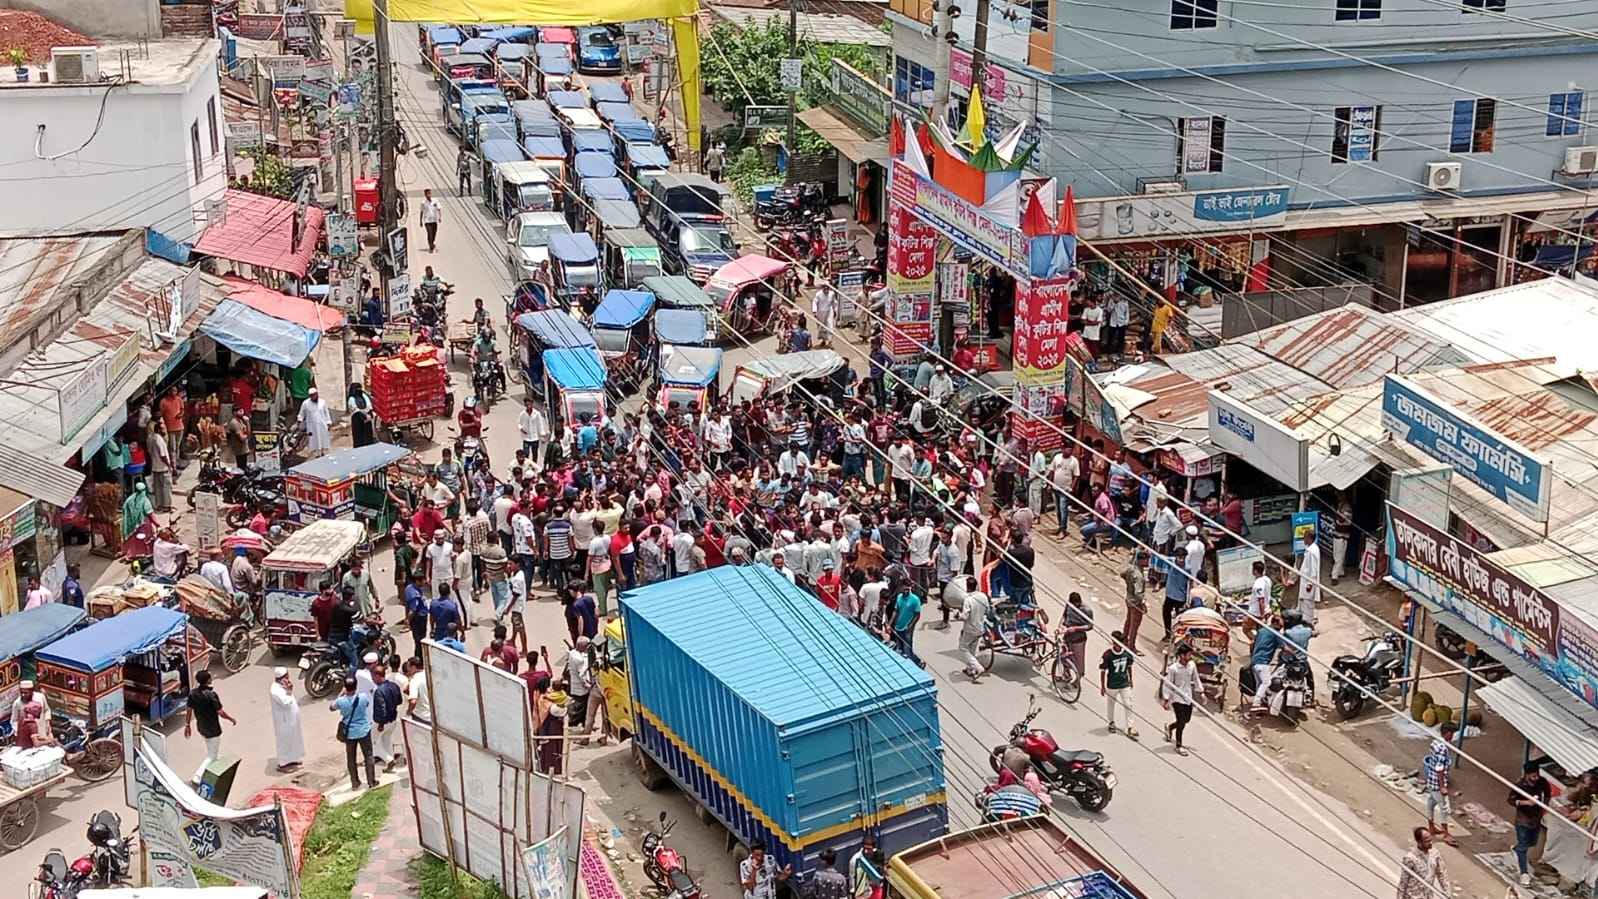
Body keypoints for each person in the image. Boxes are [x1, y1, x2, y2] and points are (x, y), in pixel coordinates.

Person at [185, 670, 235, 783]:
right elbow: (221, 712)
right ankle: (198, 776)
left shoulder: (193, 693)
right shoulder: (211, 695)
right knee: (211, 756)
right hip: (213, 729)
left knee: (212, 751)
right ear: (208, 680)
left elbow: (189, 710)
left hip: (201, 727)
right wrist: (231, 719)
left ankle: (212, 772)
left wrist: (187, 725)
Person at [1510, 761, 1553, 886]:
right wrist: (1526, 803)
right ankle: (1524, 873)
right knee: (1524, 846)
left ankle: (1516, 849)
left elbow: (1548, 794)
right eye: (1533, 776)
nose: (1536, 778)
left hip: (1536, 818)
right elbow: (1511, 800)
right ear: (1527, 775)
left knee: (1532, 842)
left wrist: (1544, 807)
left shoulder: (1542, 782)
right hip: (1523, 819)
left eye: (1537, 775)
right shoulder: (1519, 785)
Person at [332, 675, 378, 791]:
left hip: (349, 733)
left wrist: (341, 694)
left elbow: (331, 707)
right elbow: (367, 704)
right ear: (356, 686)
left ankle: (355, 782)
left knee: (351, 759)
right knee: (368, 755)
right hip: (364, 730)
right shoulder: (362, 697)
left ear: (345, 687)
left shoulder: (340, 701)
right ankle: (371, 781)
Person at [1160, 642, 1202, 756]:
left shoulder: (1192, 665)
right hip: (1177, 698)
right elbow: (1168, 684)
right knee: (1181, 721)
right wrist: (1166, 699)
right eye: (1188, 655)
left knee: (1185, 720)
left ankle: (1170, 727)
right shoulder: (1173, 668)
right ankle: (1179, 746)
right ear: (1182, 655)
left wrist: (1201, 692)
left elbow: (1196, 678)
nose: (1190, 657)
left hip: (1188, 697)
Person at [1423, 722, 1459, 846]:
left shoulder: (1435, 742)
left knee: (1431, 802)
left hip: (1431, 779)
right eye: (1452, 733)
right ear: (1448, 733)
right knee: (1444, 807)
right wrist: (1442, 786)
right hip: (1437, 782)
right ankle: (1445, 834)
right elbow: (1439, 768)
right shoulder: (1442, 748)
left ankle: (1431, 827)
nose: (1453, 736)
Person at [1100, 631, 1137, 738]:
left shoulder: (1127, 654)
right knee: (1111, 704)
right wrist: (1102, 686)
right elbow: (1103, 670)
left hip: (1124, 683)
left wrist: (1131, 679)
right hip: (1112, 684)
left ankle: (1130, 726)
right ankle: (1111, 722)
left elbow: (1129, 667)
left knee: (1128, 704)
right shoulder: (1107, 655)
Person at [1396, 826, 1450, 899]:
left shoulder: (1435, 854)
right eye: (1427, 841)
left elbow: (1442, 874)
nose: (1430, 842)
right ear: (1419, 842)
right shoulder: (1410, 858)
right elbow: (1403, 883)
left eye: (1431, 839)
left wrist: (1447, 893)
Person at [268, 668, 305, 771]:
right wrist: (289, 690)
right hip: (284, 721)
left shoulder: (282, 685)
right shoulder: (275, 690)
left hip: (291, 719)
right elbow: (286, 703)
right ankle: (283, 764)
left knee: (294, 738)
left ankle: (293, 759)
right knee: (285, 741)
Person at [371, 664, 405, 771]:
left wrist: (380, 724)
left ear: (377, 676)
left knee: (373, 743)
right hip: (393, 719)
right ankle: (391, 766)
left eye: (373, 677)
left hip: (383, 722)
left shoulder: (379, 691)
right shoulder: (394, 686)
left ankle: (389, 760)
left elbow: (381, 709)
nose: (372, 679)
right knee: (387, 740)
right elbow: (399, 701)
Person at [958, 587, 991, 681]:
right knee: (972, 649)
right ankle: (970, 670)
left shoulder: (968, 600)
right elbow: (987, 610)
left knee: (963, 648)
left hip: (970, 629)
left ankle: (978, 668)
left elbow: (965, 616)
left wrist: (958, 615)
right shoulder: (983, 596)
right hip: (980, 628)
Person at [1061, 592, 1093, 679]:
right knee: (1064, 655)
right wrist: (1060, 627)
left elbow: (1090, 626)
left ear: (1079, 602)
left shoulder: (1087, 610)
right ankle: (1066, 675)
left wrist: (1076, 628)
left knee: (1079, 661)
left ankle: (1077, 680)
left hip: (1078, 638)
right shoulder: (1069, 605)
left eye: (1075, 605)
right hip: (1067, 635)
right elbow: (1064, 616)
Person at [1120, 555, 1147, 652]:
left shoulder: (1131, 569)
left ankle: (1123, 639)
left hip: (1129, 598)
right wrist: (1143, 604)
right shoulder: (1139, 575)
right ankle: (1131, 646)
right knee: (1134, 625)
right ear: (1142, 560)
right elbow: (1138, 592)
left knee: (1128, 621)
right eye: (1146, 560)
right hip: (1136, 603)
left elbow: (1122, 574)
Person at [1296, 527, 1322, 629]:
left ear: (1309, 538)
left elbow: (1313, 570)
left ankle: (1308, 625)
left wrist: (1310, 584)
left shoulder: (1312, 551)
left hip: (1308, 583)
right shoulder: (1311, 549)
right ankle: (1304, 623)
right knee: (1303, 603)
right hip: (1305, 581)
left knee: (1308, 604)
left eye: (1304, 538)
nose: (1303, 540)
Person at [298, 387, 333, 458]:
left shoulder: (322, 402)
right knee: (314, 442)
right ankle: (316, 455)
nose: (314, 396)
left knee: (323, 440)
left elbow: (326, 413)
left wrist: (328, 422)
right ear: (310, 396)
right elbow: (301, 414)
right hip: (312, 427)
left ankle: (323, 453)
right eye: (312, 395)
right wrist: (299, 421)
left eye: (315, 394)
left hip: (322, 425)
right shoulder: (305, 403)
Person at [148, 419, 175, 511]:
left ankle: (159, 505)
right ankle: (167, 506)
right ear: (159, 430)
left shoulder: (150, 438)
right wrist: (169, 465)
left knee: (158, 488)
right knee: (166, 487)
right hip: (163, 467)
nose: (165, 431)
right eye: (163, 429)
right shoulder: (159, 439)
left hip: (155, 467)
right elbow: (163, 455)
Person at [348, 382, 377, 448]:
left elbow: (369, 406)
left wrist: (370, 414)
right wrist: (364, 416)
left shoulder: (364, 396)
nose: (359, 390)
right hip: (357, 420)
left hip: (367, 420)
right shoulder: (351, 399)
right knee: (359, 437)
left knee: (368, 436)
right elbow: (356, 410)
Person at [419, 187, 442, 252]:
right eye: (427, 194)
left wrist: (440, 217)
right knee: (430, 234)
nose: (428, 195)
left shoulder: (435, 200)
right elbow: (421, 212)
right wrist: (420, 221)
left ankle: (432, 244)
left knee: (434, 234)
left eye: (429, 193)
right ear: (425, 195)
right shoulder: (423, 203)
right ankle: (431, 246)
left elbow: (439, 209)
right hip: (427, 221)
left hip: (434, 220)